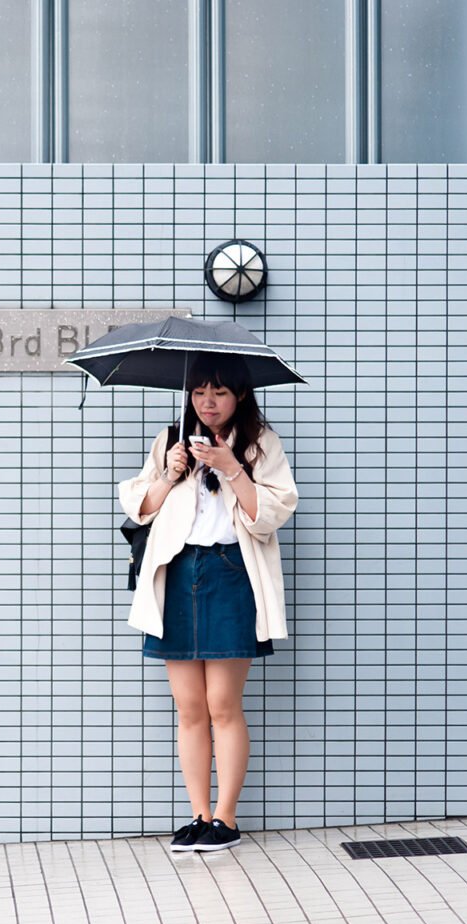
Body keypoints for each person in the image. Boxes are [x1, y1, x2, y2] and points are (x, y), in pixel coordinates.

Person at [119, 354, 299, 854]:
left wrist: (232, 468)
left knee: (223, 704)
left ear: (239, 394)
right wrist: (170, 474)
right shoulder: (172, 440)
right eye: (199, 392)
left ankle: (226, 818)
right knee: (189, 708)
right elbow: (139, 507)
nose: (207, 402)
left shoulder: (261, 443)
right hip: (177, 573)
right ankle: (198, 815)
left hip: (230, 574)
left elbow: (270, 515)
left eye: (218, 392)